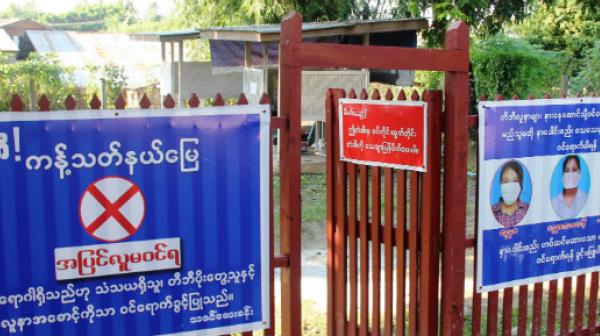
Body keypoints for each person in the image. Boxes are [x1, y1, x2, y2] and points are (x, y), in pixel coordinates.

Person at [492, 160, 530, 227]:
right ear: (500, 184)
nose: (510, 187)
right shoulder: (492, 212)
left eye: (515, 181)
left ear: (520, 185)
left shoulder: (527, 210)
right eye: (506, 181)